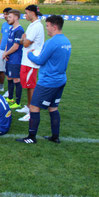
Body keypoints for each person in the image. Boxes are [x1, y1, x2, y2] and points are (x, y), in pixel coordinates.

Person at [16, 15, 71, 144]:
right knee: (53, 107)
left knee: (34, 107)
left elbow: (40, 60)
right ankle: (55, 136)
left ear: (54, 26)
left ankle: (31, 137)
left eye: (48, 26)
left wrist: (30, 54)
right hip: (60, 79)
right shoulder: (66, 41)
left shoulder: (52, 42)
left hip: (48, 81)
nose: (46, 29)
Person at [17, 4, 45, 122]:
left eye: (26, 12)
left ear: (32, 13)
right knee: (28, 85)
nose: (25, 15)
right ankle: (29, 106)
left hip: (31, 61)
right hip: (27, 60)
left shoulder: (36, 26)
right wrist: (24, 39)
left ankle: (31, 111)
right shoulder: (32, 25)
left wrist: (23, 39)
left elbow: (26, 43)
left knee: (31, 86)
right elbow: (24, 40)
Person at [2, 9, 24, 109]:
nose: (8, 18)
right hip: (9, 58)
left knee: (16, 79)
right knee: (9, 77)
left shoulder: (19, 30)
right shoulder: (12, 28)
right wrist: (6, 53)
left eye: (10, 17)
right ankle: (10, 98)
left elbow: (15, 46)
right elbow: (8, 43)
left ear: (16, 17)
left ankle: (18, 102)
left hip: (16, 59)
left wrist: (6, 53)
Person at [0, 8, 11, 92]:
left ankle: (10, 90)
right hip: (1, 50)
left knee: (9, 71)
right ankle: (1, 87)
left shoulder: (14, 26)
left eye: (7, 14)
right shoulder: (4, 24)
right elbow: (3, 37)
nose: (5, 16)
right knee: (0, 70)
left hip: (9, 51)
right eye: (4, 14)